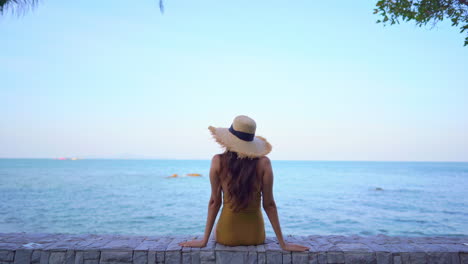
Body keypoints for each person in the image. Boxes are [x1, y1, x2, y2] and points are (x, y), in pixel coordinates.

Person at [179, 115, 309, 252]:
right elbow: (269, 205)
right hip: (255, 235)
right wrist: (283, 244)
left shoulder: (218, 161)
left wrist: (204, 241)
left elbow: (214, 202)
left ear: (228, 139)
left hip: (226, 235)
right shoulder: (264, 163)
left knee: (217, 230)